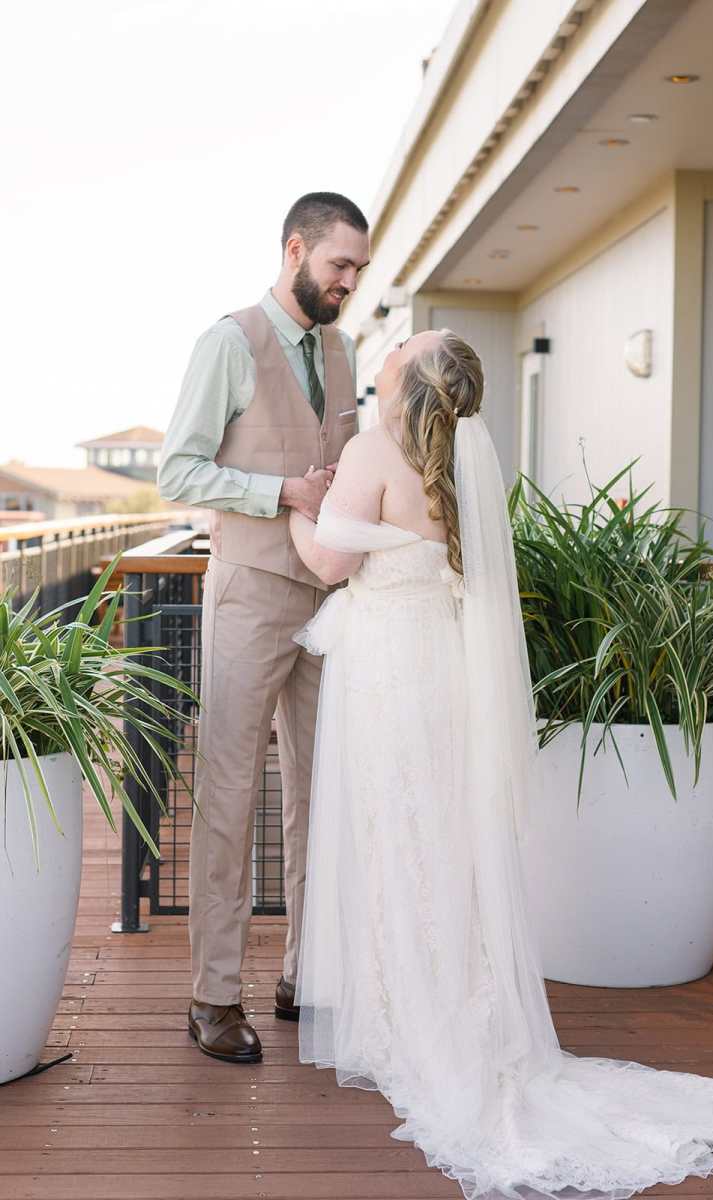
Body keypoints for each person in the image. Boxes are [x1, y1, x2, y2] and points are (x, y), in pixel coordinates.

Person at [286, 328, 713, 1199]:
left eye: (408, 342)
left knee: (392, 828)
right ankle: (449, 1004)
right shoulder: (469, 459)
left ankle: (405, 1017)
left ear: (406, 380)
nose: (394, 344)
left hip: (389, 674)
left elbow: (329, 561)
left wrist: (291, 511)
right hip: (442, 667)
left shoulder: (371, 449)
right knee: (442, 835)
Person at [158, 192, 370, 1064]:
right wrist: (280, 492)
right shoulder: (228, 341)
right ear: (295, 250)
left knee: (326, 793)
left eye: (358, 270)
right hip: (249, 593)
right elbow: (179, 467)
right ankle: (213, 999)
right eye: (339, 267)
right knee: (232, 794)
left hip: (332, 604)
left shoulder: (345, 349)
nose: (350, 284)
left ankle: (302, 976)